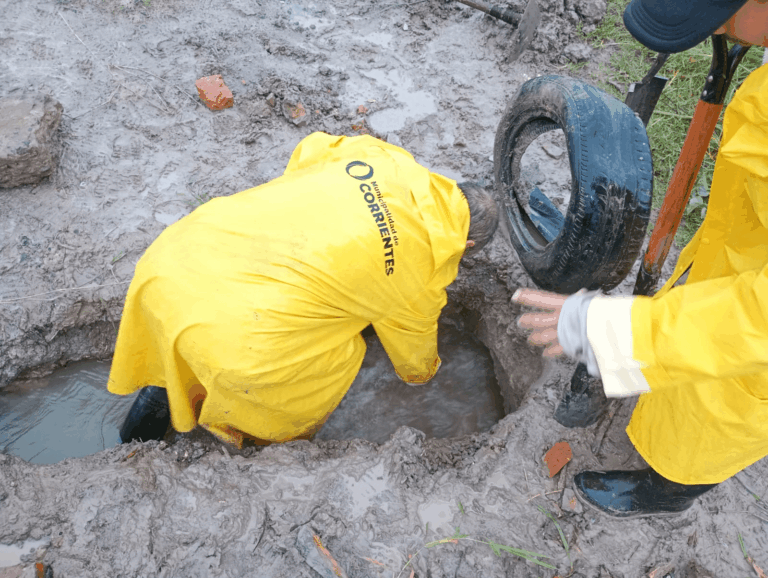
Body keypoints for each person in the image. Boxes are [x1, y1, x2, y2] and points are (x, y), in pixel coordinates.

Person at [514, 0, 768, 518]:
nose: (713, 31)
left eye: (716, 19)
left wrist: (622, 333)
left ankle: (672, 491)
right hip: (738, 257)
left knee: (721, 411)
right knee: (695, 363)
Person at [108, 131, 499, 448]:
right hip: (235, 338)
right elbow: (414, 368)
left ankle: (130, 445)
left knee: (181, 340)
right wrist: (431, 371)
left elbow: (306, 151)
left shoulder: (382, 156)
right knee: (345, 352)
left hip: (175, 255)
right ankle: (262, 441)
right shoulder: (424, 272)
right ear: (465, 246)